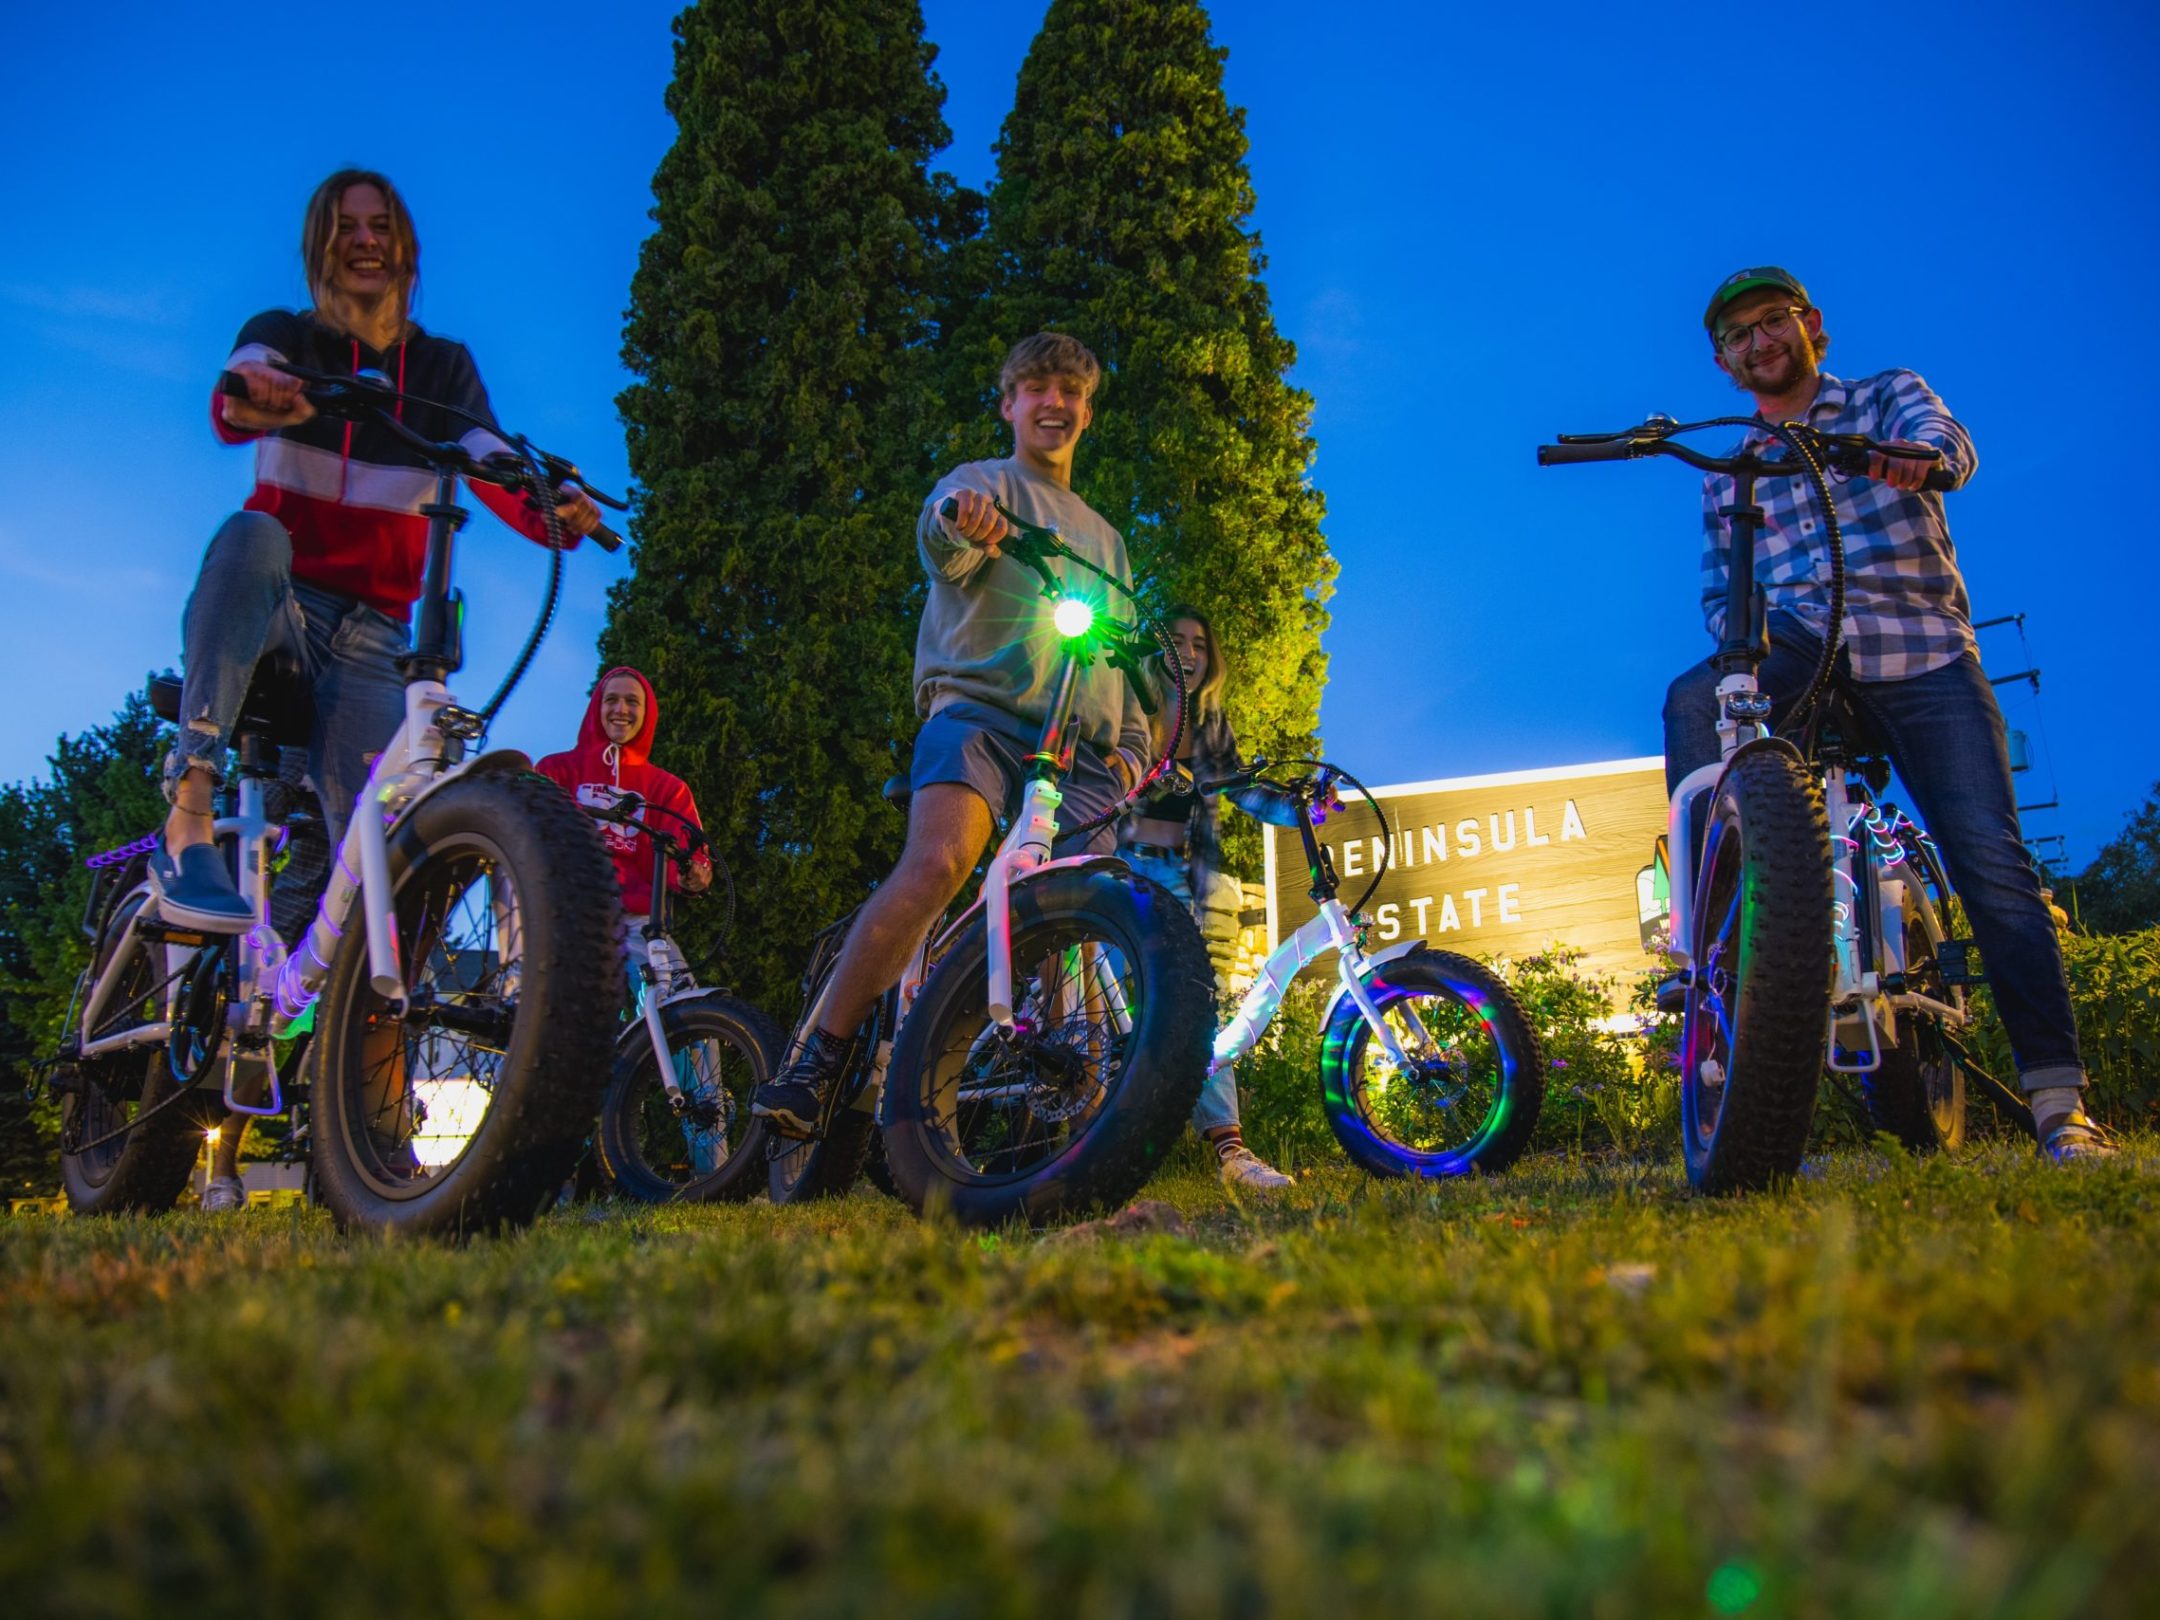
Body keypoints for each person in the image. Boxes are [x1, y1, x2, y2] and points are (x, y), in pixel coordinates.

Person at [165, 170, 604, 1210]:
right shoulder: (289, 337)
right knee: (250, 535)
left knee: (378, 861)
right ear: (322, 245)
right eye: (346, 228)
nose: (366, 242)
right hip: (282, 607)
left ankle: (364, 1130)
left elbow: (488, 453)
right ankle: (189, 795)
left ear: (407, 247)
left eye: (383, 228)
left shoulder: (441, 370)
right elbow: (243, 380)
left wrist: (556, 500)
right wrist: (257, 392)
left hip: (373, 635)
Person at [1665, 266, 2107, 1164]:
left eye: (1772, 321)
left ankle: (2061, 1106)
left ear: (1811, 324)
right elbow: (1723, 592)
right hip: (1803, 648)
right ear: (1724, 362)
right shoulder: (1732, 465)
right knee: (1694, 696)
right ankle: (1716, 944)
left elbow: (1946, 442)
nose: (1760, 342)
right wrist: (1747, 644)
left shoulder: (1883, 396)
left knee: (1992, 861)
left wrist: (1921, 460)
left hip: (1921, 651)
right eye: (1739, 335)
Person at [751, 333, 1152, 1137]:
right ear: (1008, 405)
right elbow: (943, 544)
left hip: (1078, 748)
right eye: (1036, 387)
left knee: (1074, 907)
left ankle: (1063, 1090)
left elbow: (1128, 656)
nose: (1054, 403)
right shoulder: (981, 484)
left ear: (1087, 412)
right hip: (978, 712)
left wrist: (1135, 744)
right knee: (939, 860)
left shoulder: (1107, 539)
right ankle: (818, 1060)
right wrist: (962, 523)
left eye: (1071, 390)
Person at [1119, 607, 1294, 1192]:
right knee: (1096, 1006)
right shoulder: (1129, 704)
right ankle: (1075, 1148)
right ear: (1157, 648)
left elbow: (1243, 792)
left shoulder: (1212, 725)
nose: (1189, 652)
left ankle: (1231, 1150)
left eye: (1200, 643)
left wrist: (1303, 808)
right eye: (1178, 640)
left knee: (1197, 1004)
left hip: (1177, 880)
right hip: (1112, 868)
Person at [535, 666, 713, 970]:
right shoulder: (557, 770)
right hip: (565, 912)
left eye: (632, 701)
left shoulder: (668, 788)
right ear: (596, 708)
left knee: (676, 1002)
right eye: (611, 700)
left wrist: (692, 874)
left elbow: (687, 850)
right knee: (551, 1000)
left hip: (637, 923)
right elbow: (532, 832)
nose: (621, 709)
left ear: (647, 713)